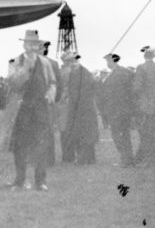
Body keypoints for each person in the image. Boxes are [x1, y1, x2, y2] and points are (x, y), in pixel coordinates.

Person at [6, 30, 56, 191]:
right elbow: (14, 83)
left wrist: (50, 95)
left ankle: (40, 181)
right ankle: (19, 181)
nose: (32, 46)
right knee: (20, 147)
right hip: (22, 109)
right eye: (29, 43)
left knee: (41, 146)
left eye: (35, 44)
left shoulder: (45, 63)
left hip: (41, 109)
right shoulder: (15, 61)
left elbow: (52, 82)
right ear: (24, 44)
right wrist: (26, 67)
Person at [60, 53, 99, 164]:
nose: (68, 64)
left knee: (83, 134)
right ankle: (88, 159)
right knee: (82, 134)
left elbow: (81, 92)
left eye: (70, 62)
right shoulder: (78, 72)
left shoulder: (82, 73)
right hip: (80, 108)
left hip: (83, 109)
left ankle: (84, 159)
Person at [103, 53, 136, 167]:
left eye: (108, 61)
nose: (107, 64)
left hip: (117, 110)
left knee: (118, 135)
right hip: (123, 110)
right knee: (124, 135)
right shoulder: (124, 72)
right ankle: (128, 159)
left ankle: (126, 160)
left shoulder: (118, 74)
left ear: (112, 61)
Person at [133, 47, 155, 166]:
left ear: (144, 56)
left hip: (145, 106)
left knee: (145, 133)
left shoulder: (141, 68)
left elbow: (137, 88)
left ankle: (149, 160)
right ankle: (153, 159)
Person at [41, 41, 62, 166]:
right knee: (47, 130)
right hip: (48, 102)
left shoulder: (33, 62)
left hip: (43, 101)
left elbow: (58, 84)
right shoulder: (54, 63)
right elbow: (59, 84)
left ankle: (43, 159)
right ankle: (49, 159)